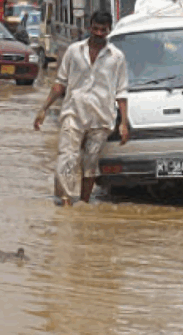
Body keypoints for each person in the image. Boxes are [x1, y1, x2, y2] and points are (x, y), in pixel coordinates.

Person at [33, 11, 130, 205]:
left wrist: (124, 124)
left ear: (109, 30)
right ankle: (66, 201)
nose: (99, 33)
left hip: (101, 118)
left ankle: (84, 202)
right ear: (89, 27)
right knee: (66, 158)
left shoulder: (117, 57)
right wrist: (43, 108)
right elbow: (60, 83)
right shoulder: (73, 51)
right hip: (73, 113)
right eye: (95, 28)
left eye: (103, 30)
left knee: (90, 163)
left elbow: (121, 92)